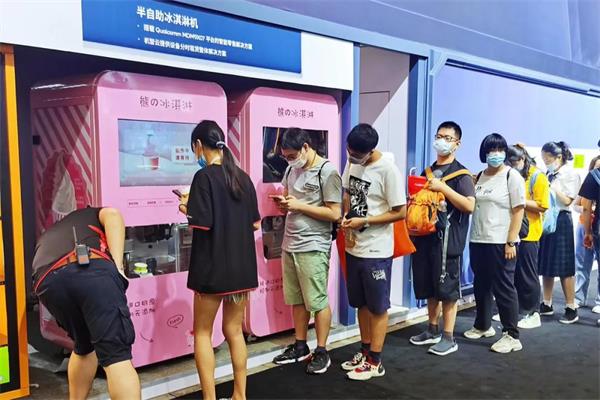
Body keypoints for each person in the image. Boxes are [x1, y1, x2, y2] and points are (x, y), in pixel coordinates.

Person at [179, 120, 260, 400]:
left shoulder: (203, 178)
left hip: (212, 269)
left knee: (203, 333)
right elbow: (255, 224)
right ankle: (240, 395)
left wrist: (186, 206)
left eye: (194, 149)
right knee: (234, 331)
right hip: (242, 269)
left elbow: (202, 222)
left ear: (199, 145)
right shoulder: (243, 178)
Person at [32, 207, 141, 400]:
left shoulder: (54, 230)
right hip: (89, 266)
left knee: (84, 346)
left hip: (47, 282)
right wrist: (118, 267)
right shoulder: (93, 213)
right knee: (117, 355)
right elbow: (113, 215)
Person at [271, 128, 342, 374]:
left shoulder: (327, 172)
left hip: (314, 245)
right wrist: (283, 205)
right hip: (290, 243)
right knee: (297, 299)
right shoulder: (291, 170)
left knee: (318, 300)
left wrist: (299, 206)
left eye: (292, 155)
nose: (289, 160)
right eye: (285, 157)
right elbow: (290, 201)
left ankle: (322, 350)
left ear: (305, 147)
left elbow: (335, 213)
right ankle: (300, 345)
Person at [339, 123, 406, 380]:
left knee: (378, 306)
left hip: (377, 250)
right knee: (361, 303)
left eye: (356, 154)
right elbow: (347, 192)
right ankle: (365, 351)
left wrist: (366, 220)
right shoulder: (352, 162)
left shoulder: (388, 170)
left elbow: (400, 212)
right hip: (354, 246)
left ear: (371, 150)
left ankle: (375, 361)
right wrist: (346, 217)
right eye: (349, 150)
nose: (351, 156)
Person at [408, 121, 475, 356]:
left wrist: (443, 188)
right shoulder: (426, 172)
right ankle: (432, 329)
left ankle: (448, 336)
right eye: (439, 136)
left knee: (447, 290)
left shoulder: (462, 175)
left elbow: (469, 205)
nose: (441, 141)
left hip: (448, 241)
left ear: (457, 144)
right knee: (428, 285)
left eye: (447, 138)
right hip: (424, 237)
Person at [465, 133, 525, 353]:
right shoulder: (479, 176)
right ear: (485, 153)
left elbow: (518, 210)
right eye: (492, 150)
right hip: (478, 239)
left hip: (501, 241)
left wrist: (511, 241)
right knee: (481, 285)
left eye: (500, 150)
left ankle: (511, 335)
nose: (496, 154)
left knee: (504, 287)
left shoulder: (511, 176)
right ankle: (483, 325)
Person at [493, 144, 550, 329]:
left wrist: (519, 200)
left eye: (514, 162)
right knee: (511, 274)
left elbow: (543, 205)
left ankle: (533, 313)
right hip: (509, 232)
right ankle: (513, 311)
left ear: (523, 159)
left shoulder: (537, 176)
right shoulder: (509, 174)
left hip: (529, 233)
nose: (511, 166)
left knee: (528, 275)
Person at [538, 141, 581, 324]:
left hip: (562, 219)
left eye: (547, 159)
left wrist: (552, 187)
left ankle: (571, 307)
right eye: (543, 159)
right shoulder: (548, 173)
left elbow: (567, 201)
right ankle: (546, 303)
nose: (546, 162)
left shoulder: (570, 174)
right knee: (546, 264)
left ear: (559, 157)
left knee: (565, 266)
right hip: (547, 219)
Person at [575, 156, 600, 311]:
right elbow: (579, 205)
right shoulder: (591, 178)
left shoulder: (594, 178)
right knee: (582, 263)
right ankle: (579, 297)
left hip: (595, 226)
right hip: (587, 225)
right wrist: (587, 230)